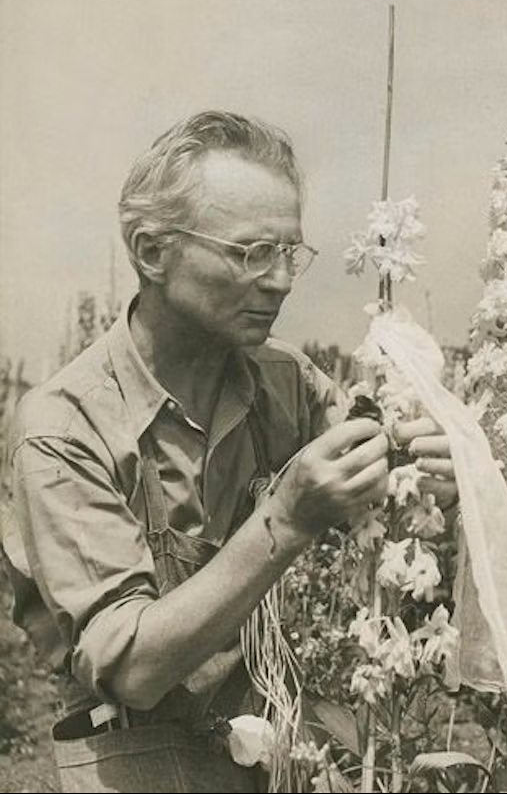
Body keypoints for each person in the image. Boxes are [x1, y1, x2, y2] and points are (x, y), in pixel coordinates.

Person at [0, 110, 458, 793]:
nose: (279, 280)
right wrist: (287, 518)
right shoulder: (63, 429)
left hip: (276, 761)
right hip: (137, 767)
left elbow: (389, 512)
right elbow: (135, 670)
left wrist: (432, 479)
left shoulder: (287, 383)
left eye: (289, 253)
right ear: (152, 251)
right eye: (250, 253)